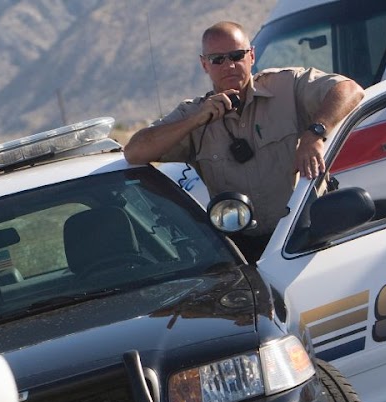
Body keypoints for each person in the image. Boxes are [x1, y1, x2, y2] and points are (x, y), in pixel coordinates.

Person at [123, 21, 362, 259]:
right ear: (204, 64)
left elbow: (350, 90)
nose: (229, 65)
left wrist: (315, 134)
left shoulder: (286, 87)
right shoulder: (193, 114)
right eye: (218, 59)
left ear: (252, 56)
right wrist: (195, 121)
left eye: (237, 55)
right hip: (246, 250)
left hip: (310, 232)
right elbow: (134, 152)